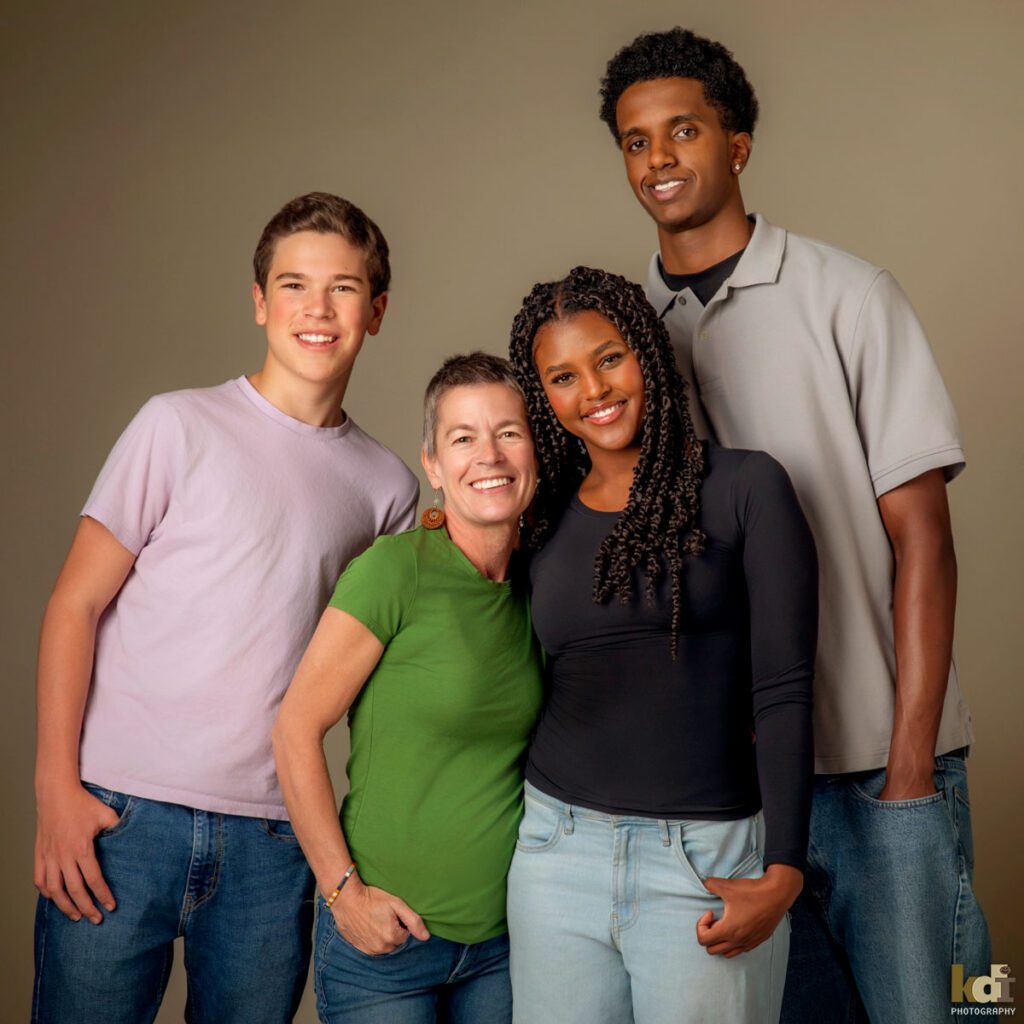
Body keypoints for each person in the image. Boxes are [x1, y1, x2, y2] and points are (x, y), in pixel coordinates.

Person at [597, 27, 991, 1022]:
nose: (658, 160)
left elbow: (925, 542)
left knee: (959, 999)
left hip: (879, 764)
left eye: (681, 130)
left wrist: (907, 769)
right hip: (734, 789)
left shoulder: (849, 297)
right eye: (635, 141)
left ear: (737, 143)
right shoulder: (626, 344)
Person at [31, 192, 419, 1024]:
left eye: (344, 288)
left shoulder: (388, 488)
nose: (317, 309)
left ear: (377, 310)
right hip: (121, 816)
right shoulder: (177, 425)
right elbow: (73, 606)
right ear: (259, 302)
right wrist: (55, 789)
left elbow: (372, 673)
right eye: (293, 285)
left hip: (274, 840)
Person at [505, 266, 818, 1024]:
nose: (595, 390)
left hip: (705, 859)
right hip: (555, 852)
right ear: (544, 396)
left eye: (610, 357)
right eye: (563, 376)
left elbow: (783, 690)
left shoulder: (746, 489)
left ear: (647, 348)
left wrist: (784, 870)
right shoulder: (537, 520)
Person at [273, 352, 544, 1024]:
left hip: (506, 946)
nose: (490, 455)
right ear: (432, 466)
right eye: (463, 438)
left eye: (508, 432)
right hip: (386, 945)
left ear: (536, 450)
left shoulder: (548, 588)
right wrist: (344, 895)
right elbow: (295, 729)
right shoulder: (395, 571)